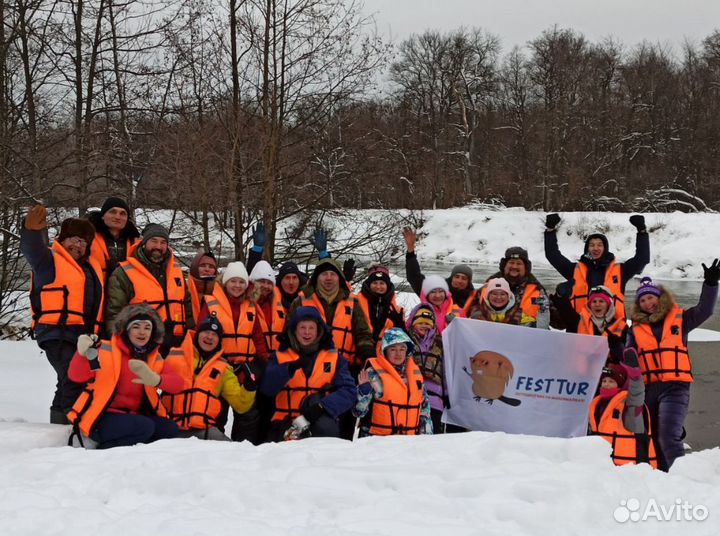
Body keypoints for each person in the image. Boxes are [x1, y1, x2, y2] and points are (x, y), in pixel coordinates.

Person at [625, 265, 719, 471]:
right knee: (653, 435)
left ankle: (681, 476)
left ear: (660, 298)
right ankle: (662, 476)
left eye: (651, 298)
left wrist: (711, 284)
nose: (648, 303)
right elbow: (628, 355)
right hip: (648, 390)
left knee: (668, 434)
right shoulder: (635, 330)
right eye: (643, 300)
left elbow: (705, 309)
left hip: (676, 387)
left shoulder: (681, 319)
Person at [20, 205, 103, 424]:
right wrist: (31, 232)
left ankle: (58, 422)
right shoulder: (48, 261)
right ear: (63, 239)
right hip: (55, 332)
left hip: (81, 336)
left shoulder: (88, 270)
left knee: (70, 378)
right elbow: (32, 249)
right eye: (74, 239)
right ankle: (71, 419)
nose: (78, 245)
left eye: (84, 242)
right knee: (72, 376)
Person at [66, 304, 182, 449]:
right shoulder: (104, 349)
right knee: (144, 427)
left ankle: (139, 455)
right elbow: (76, 376)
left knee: (169, 429)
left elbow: (178, 384)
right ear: (126, 330)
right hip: (100, 417)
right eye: (136, 327)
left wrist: (156, 380)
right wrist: (82, 355)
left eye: (147, 328)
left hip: (132, 417)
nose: (142, 332)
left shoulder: (154, 357)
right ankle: (101, 452)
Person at [259, 307, 355, 441]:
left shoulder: (334, 358)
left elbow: (349, 391)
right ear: (294, 330)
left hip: (320, 423)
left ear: (319, 331)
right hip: (284, 425)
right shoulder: (279, 357)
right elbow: (267, 389)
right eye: (302, 327)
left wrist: (323, 407)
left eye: (311, 328)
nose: (307, 332)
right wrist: (289, 369)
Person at [198, 260, 268, 443]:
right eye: (233, 281)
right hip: (219, 367)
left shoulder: (251, 306)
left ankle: (241, 448)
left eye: (241, 282)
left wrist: (261, 363)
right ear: (225, 282)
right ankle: (216, 448)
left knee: (247, 414)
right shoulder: (211, 303)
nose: (237, 286)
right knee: (217, 413)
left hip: (245, 368)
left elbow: (258, 338)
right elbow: (202, 335)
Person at [162, 314, 257, 441]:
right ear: (197, 334)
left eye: (215, 335)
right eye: (206, 332)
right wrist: (159, 347)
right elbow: (151, 375)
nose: (209, 337)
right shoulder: (173, 355)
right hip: (171, 428)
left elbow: (240, 405)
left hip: (204, 431)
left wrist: (249, 387)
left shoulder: (223, 369)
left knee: (232, 451)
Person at [544, 213, 650, 324]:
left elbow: (642, 259)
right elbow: (553, 255)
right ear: (587, 248)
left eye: (600, 245)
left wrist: (642, 231)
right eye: (592, 245)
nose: (596, 248)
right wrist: (550, 230)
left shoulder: (620, 271)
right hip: (580, 328)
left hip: (613, 331)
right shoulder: (574, 270)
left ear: (605, 248)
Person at [105, 223, 194, 353]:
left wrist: (192, 338)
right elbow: (114, 314)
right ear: (144, 243)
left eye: (163, 242)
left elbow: (187, 309)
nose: (158, 246)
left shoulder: (177, 270)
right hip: (142, 343)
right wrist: (122, 345)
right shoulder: (123, 273)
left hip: (177, 343)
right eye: (154, 241)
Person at [353, 327, 432, 437]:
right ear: (385, 351)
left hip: (408, 443)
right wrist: (363, 392)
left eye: (402, 349)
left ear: (407, 351)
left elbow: (425, 411)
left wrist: (426, 440)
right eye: (393, 349)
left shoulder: (415, 376)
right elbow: (358, 412)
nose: (398, 354)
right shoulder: (373, 373)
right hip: (375, 441)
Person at [588, 350, 658, 468]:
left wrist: (635, 375)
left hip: (630, 471)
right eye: (604, 381)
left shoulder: (629, 405)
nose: (606, 384)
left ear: (620, 384)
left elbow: (637, 393)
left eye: (611, 381)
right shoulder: (597, 404)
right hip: (603, 468)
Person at [403, 226, 476, 312]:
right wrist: (410, 251)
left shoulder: (474, 299)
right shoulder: (436, 291)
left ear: (468, 282)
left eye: (464, 278)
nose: (459, 281)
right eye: (457, 276)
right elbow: (414, 277)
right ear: (452, 277)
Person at [472, 247, 549, 328]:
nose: (514, 266)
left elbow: (556, 322)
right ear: (504, 265)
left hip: (524, 337)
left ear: (526, 267)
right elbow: (466, 312)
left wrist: (559, 297)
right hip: (485, 336)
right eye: (511, 262)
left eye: (519, 263)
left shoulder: (538, 292)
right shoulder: (486, 287)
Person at [406, 304, 447, 433]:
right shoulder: (406, 340)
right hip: (410, 397)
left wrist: (447, 394)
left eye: (428, 323)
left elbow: (445, 371)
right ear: (413, 323)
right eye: (420, 322)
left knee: (432, 441)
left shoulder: (440, 343)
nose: (424, 325)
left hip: (435, 400)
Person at [559, 285, 627, 363]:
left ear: (609, 305)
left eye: (601, 301)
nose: (597, 304)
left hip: (611, 372)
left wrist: (617, 346)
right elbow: (565, 311)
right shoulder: (579, 321)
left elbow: (628, 357)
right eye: (594, 301)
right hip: (582, 372)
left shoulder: (622, 326)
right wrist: (560, 296)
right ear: (589, 305)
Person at [87, 197, 140, 284]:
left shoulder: (136, 243)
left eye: (122, 213)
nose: (117, 217)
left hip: (126, 293)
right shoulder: (88, 238)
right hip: (95, 292)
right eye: (113, 212)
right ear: (103, 216)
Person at [354, 264, 405, 343]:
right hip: (361, 349)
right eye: (375, 283)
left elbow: (403, 338)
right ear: (369, 284)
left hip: (384, 353)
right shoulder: (356, 302)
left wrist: (400, 325)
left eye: (382, 283)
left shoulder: (397, 310)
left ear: (387, 286)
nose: (378, 287)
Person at [470, 277, 538, 327]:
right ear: (488, 296)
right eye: (494, 293)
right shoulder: (474, 316)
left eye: (502, 294)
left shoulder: (524, 320)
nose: (498, 297)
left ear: (508, 296)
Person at [187, 251, 220, 323]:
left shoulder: (221, 292)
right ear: (195, 267)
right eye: (202, 265)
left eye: (211, 267)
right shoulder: (183, 289)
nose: (207, 269)